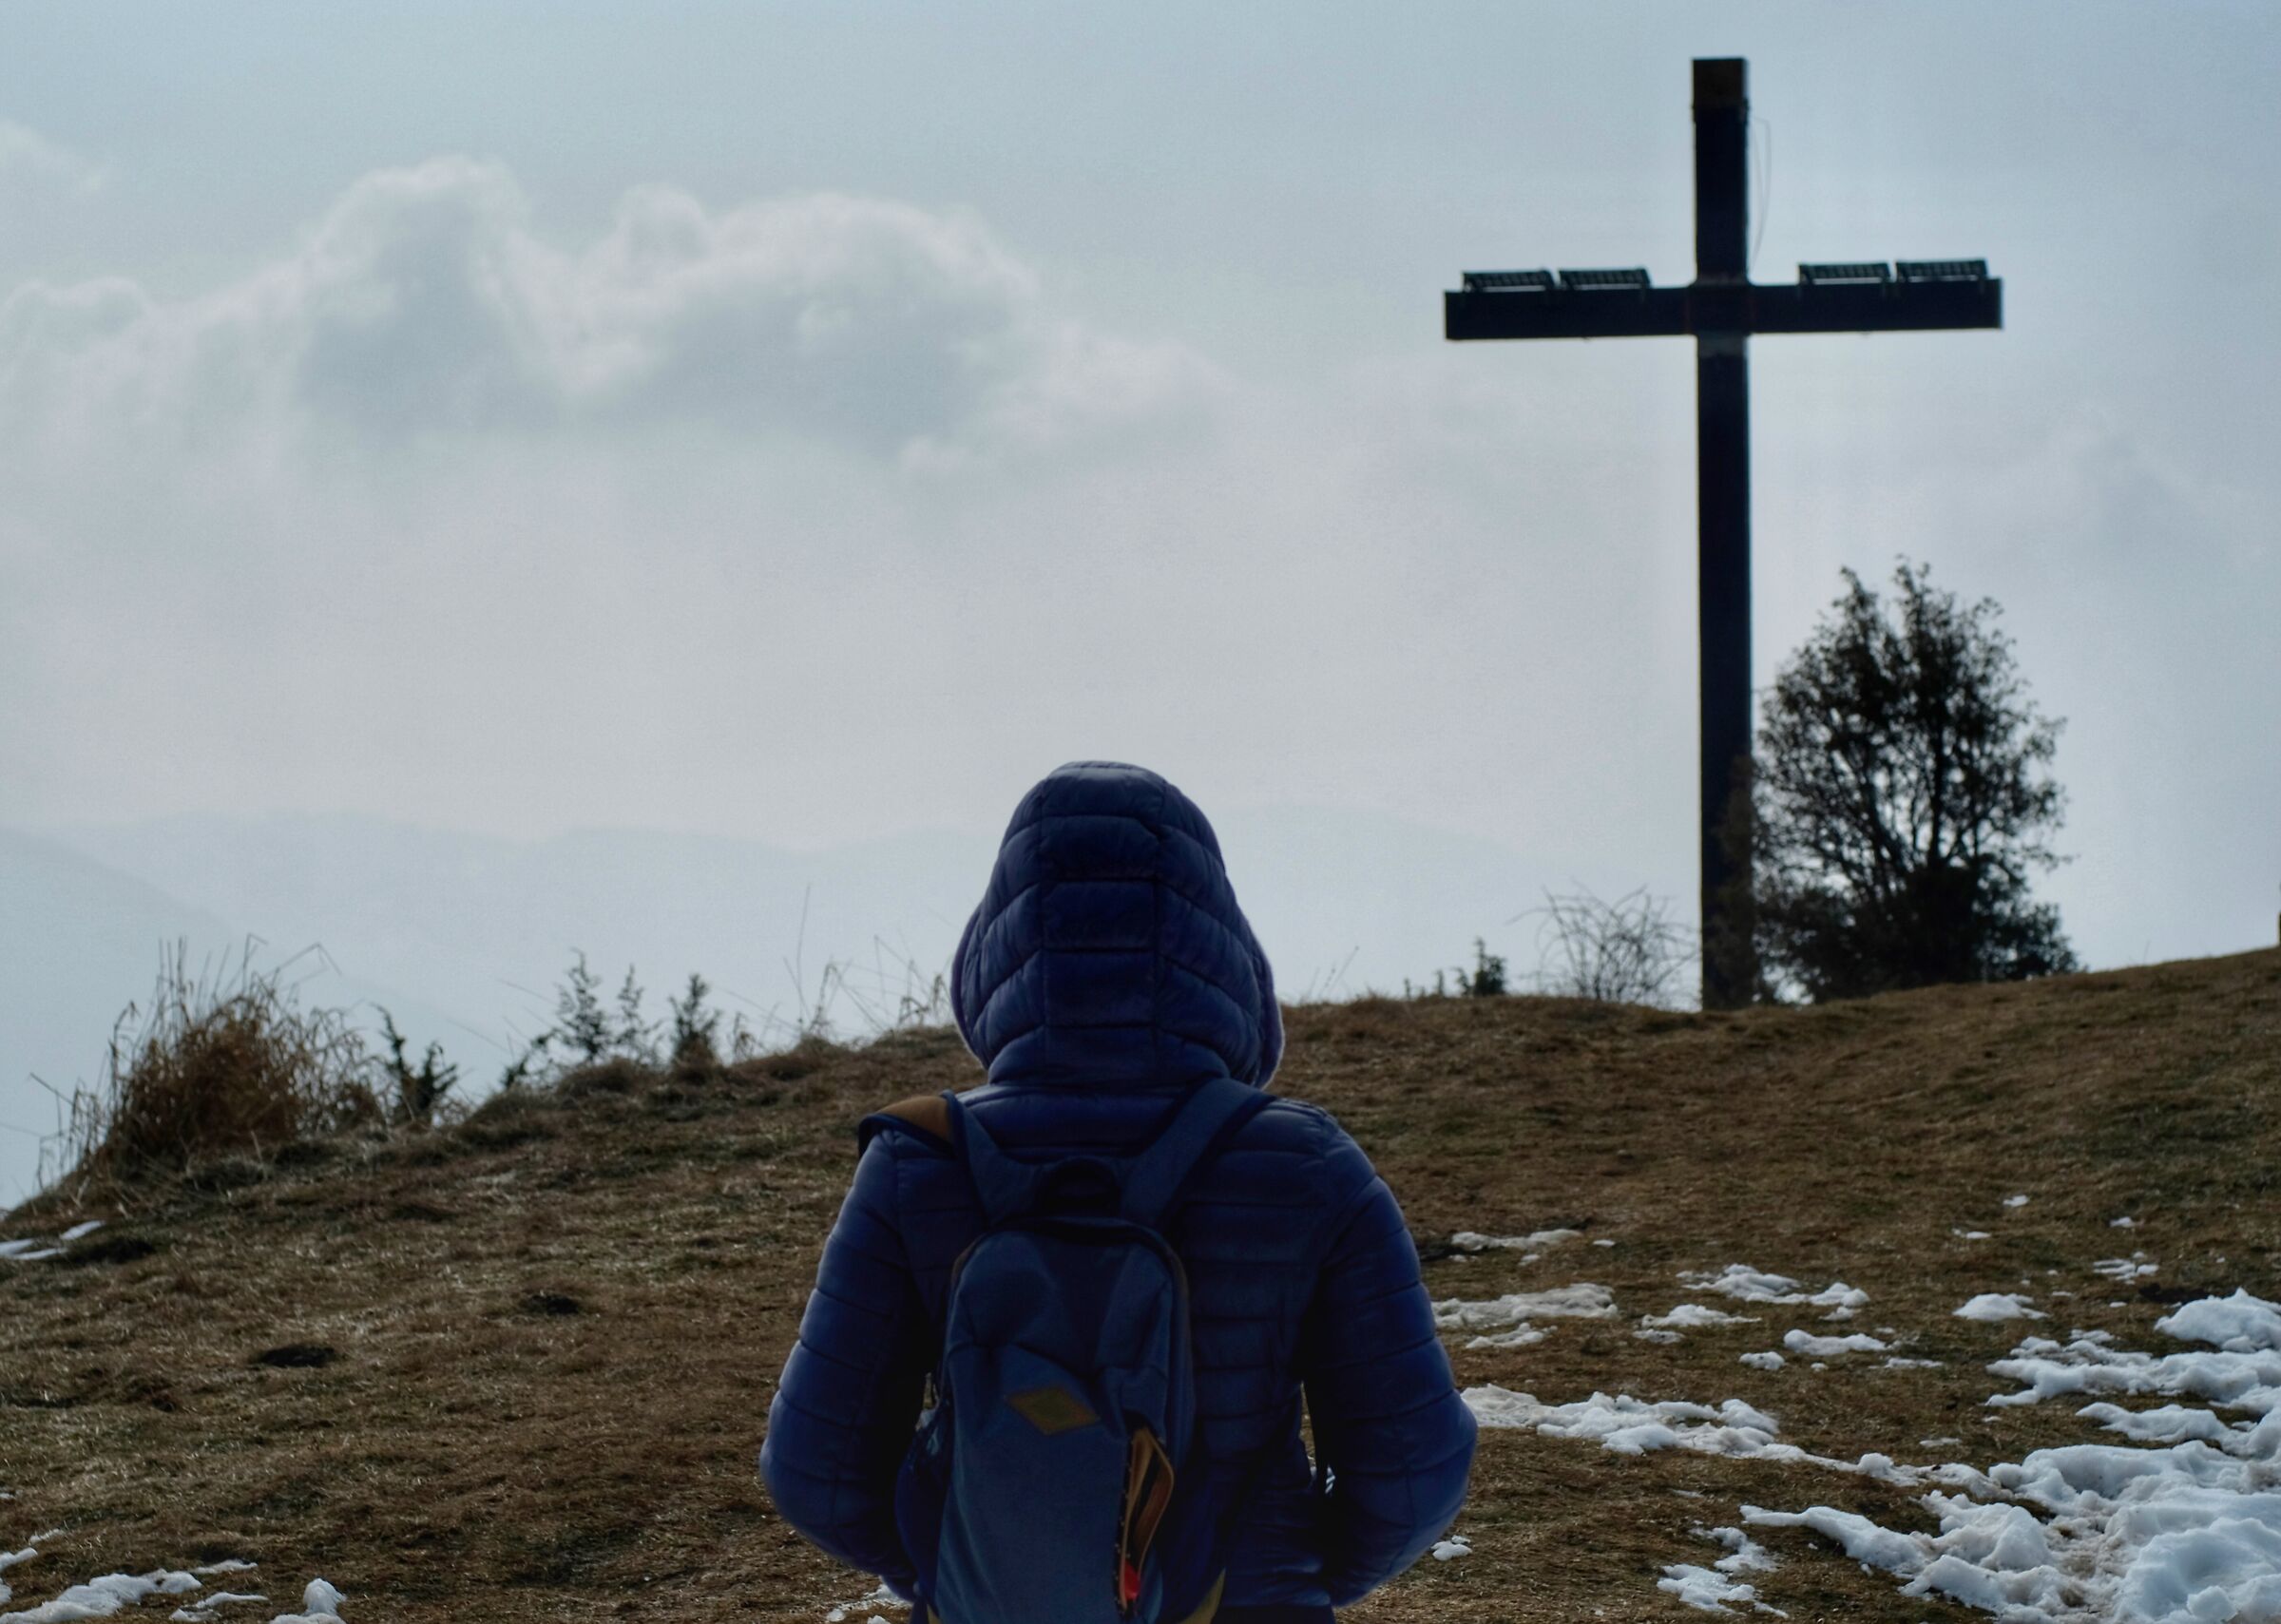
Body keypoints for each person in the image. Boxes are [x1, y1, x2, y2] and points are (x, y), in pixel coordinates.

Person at [759, 761, 1476, 1623]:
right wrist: (1288, 1577)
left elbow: (814, 1469)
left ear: (999, 946)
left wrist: (966, 1575)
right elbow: (1413, 1472)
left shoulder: (919, 1161)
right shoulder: (1307, 1162)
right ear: (1222, 946)